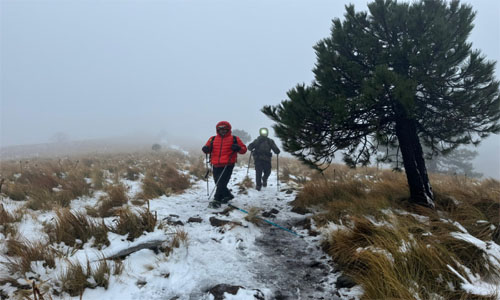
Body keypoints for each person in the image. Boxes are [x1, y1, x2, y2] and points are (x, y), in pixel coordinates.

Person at [202, 121, 247, 208]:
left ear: (228, 129)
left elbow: (244, 149)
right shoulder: (213, 139)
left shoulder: (235, 139)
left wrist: (238, 148)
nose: (222, 131)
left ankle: (216, 200)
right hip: (215, 164)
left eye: (225, 130)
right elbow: (207, 147)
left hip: (228, 164)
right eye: (220, 129)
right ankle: (227, 195)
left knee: (221, 182)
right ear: (217, 130)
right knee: (218, 182)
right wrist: (205, 148)